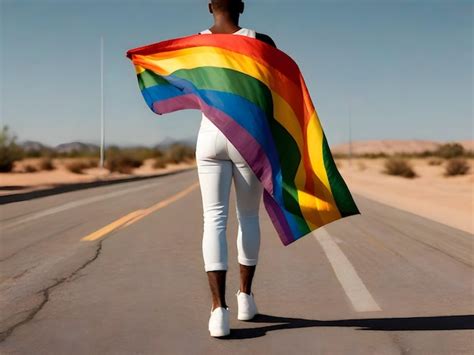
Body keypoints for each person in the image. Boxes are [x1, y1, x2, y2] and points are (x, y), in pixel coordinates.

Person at [195, 0, 277, 337]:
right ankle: (245, 298)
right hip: (247, 136)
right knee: (248, 218)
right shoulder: (262, 41)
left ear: (209, 6)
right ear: (241, 5)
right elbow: (274, 89)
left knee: (213, 219)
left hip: (210, 135)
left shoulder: (194, 44)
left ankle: (218, 312)